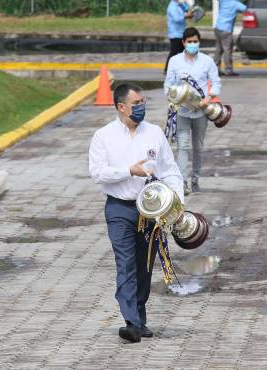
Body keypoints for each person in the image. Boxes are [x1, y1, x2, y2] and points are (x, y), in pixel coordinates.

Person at [89, 83, 184, 343]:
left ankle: (139, 317)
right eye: (136, 103)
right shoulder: (103, 136)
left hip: (151, 213)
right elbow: (98, 173)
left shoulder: (154, 133)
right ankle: (130, 321)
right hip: (119, 208)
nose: (142, 107)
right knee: (126, 264)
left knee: (145, 266)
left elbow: (171, 171)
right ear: (121, 107)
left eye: (143, 102)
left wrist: (178, 205)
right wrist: (128, 170)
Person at [164, 27, 221, 194]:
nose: (192, 44)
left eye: (195, 41)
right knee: (182, 147)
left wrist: (209, 99)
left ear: (199, 42)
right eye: (189, 42)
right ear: (183, 43)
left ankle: (195, 177)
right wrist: (172, 97)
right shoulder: (174, 61)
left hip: (201, 112)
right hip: (182, 111)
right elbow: (167, 85)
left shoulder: (207, 61)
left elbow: (216, 82)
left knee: (198, 147)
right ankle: (183, 182)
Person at [214, 0, 247, 76]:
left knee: (218, 49)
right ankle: (228, 70)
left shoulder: (223, 1)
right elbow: (246, 9)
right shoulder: (236, 4)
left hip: (218, 27)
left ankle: (215, 69)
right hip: (226, 30)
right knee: (227, 50)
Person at [165, 0, 194, 74]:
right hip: (175, 34)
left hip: (180, 33)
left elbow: (186, 9)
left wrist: (186, 3)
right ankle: (167, 68)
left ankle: (184, 68)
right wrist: (186, 16)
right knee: (174, 52)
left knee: (183, 52)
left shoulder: (179, 4)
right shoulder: (172, 6)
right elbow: (177, 19)